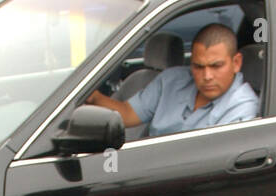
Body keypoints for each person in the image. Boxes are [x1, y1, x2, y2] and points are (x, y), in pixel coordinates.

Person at [86, 24, 259, 137]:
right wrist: (93, 97)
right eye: (198, 67)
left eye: (216, 66)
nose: (207, 76)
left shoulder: (242, 107)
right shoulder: (172, 80)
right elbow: (127, 113)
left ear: (236, 63)